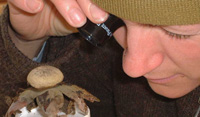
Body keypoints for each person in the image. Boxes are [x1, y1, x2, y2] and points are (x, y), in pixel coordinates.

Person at [0, 0, 200, 116]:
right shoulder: (106, 50)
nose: (132, 67)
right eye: (115, 21)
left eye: (178, 33)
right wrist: (28, 41)